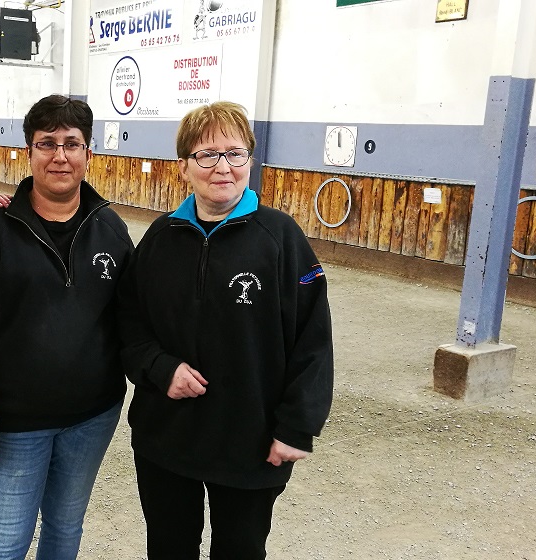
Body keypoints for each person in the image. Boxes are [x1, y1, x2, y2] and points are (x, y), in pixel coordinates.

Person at [117, 101, 334, 560]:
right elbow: (127, 322)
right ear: (183, 167)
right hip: (167, 437)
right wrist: (159, 367)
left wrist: (297, 426)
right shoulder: (160, 238)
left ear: (249, 161)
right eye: (207, 154)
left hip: (249, 440)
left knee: (240, 548)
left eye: (234, 154)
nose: (223, 167)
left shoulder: (282, 239)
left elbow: (313, 341)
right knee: (169, 547)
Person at [0, 94, 134, 560]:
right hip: (15, 422)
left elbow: (135, 315)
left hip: (93, 416)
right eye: (46, 143)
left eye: (72, 143)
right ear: (29, 153)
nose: (60, 155)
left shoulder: (111, 228)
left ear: (89, 154)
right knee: (5, 542)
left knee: (65, 528)